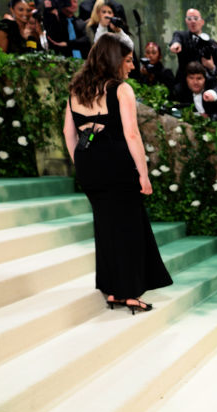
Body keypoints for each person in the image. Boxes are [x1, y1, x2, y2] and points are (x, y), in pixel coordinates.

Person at [62, 36, 172, 314]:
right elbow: (132, 134)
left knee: (106, 227)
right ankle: (130, 293)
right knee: (129, 228)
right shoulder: (121, 89)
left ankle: (112, 291)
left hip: (89, 166)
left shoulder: (76, 89)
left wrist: (82, 163)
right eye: (127, 60)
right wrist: (144, 175)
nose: (132, 66)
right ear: (113, 60)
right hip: (117, 165)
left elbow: (68, 132)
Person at [168, 8, 217, 85]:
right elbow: (176, 40)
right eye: (189, 19)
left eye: (195, 18)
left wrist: (211, 67)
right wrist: (175, 44)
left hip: (206, 85)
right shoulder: (181, 36)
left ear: (202, 22)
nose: (193, 21)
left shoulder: (212, 43)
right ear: (186, 21)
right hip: (184, 84)